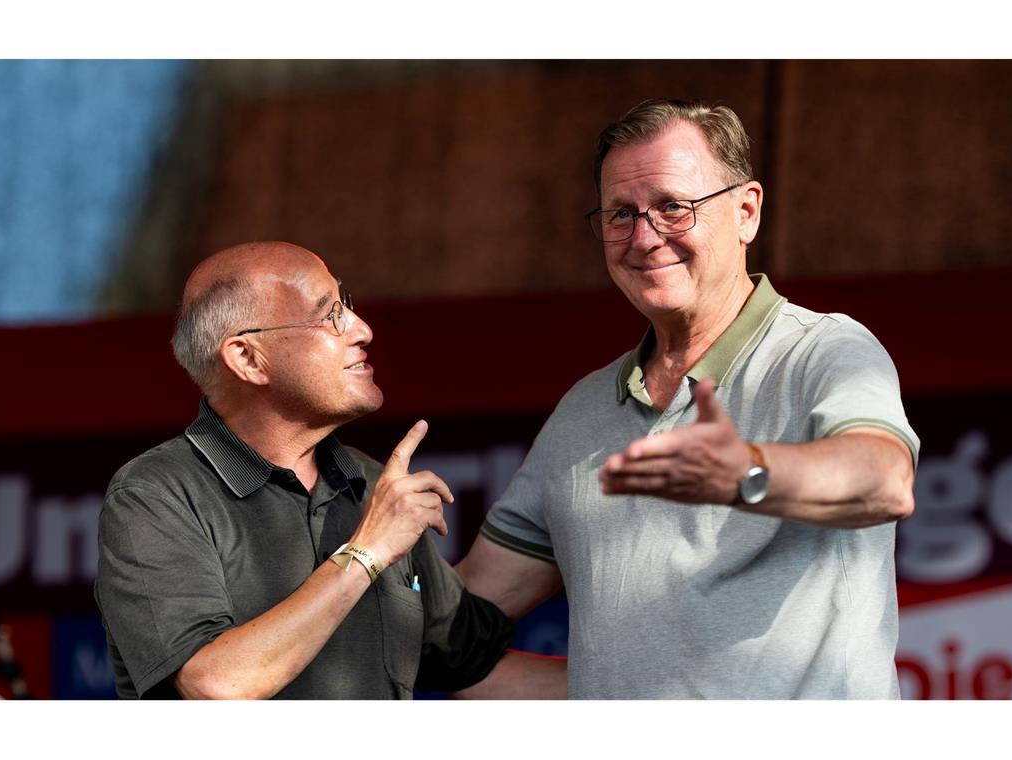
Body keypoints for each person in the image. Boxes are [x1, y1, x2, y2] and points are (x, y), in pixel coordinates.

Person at [457, 99, 919, 699]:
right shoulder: (584, 410)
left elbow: (884, 480)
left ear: (746, 211)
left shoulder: (824, 350)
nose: (644, 238)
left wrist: (747, 473)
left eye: (673, 207)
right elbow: (461, 618)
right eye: (621, 214)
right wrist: (357, 562)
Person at [95, 241, 563, 699]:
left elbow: (474, 671)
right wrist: (368, 550)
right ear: (247, 359)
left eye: (348, 306)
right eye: (330, 314)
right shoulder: (155, 493)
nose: (362, 329)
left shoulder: (376, 487)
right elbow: (216, 684)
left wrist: (630, 690)